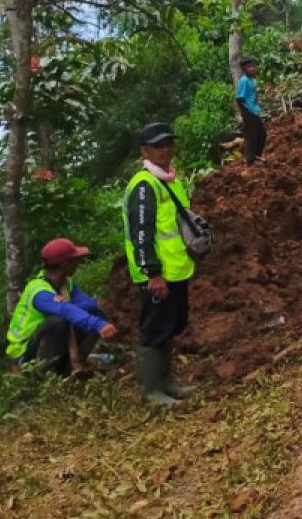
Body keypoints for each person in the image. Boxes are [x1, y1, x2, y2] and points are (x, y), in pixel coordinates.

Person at [124, 123, 199, 406]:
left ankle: (166, 382)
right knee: (155, 328)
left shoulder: (170, 180)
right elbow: (141, 233)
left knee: (170, 324)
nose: (165, 150)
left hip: (176, 268)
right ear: (145, 151)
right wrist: (153, 273)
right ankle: (151, 391)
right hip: (158, 274)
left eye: (168, 143)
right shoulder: (144, 186)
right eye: (158, 145)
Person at [6, 238, 117, 376]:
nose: (78, 263)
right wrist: (99, 325)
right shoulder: (39, 291)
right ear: (65, 264)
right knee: (57, 322)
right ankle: (43, 375)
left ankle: (71, 366)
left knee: (95, 312)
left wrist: (95, 307)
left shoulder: (66, 284)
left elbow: (86, 304)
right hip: (25, 356)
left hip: (50, 345)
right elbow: (65, 310)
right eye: (75, 259)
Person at [236, 57, 266, 165]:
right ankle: (250, 160)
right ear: (244, 69)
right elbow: (239, 98)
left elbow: (254, 96)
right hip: (248, 112)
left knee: (261, 134)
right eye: (250, 67)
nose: (253, 68)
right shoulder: (243, 81)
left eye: (253, 66)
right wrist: (245, 115)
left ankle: (256, 156)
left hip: (254, 111)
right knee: (252, 135)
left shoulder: (253, 81)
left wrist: (256, 107)